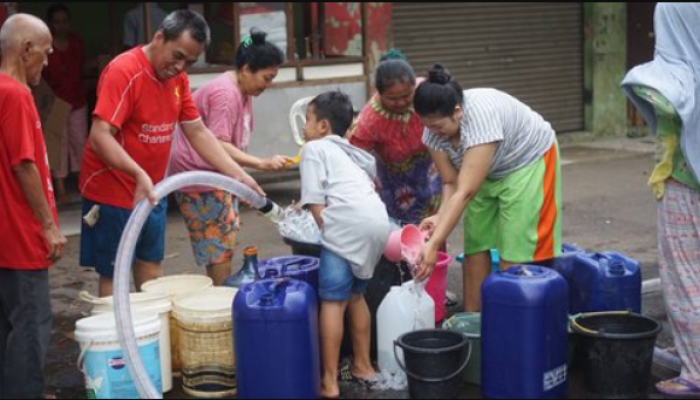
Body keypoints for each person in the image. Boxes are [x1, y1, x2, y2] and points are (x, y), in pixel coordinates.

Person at [79, 10, 262, 297]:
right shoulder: (125, 70)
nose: (180, 67)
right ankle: (117, 338)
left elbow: (198, 132)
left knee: (150, 265)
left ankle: (150, 334)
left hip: (153, 189)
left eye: (189, 61)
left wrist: (239, 177)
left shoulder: (178, 80)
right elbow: (100, 136)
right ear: (159, 37)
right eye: (177, 56)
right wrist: (138, 172)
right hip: (112, 189)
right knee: (113, 274)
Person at [415, 64, 562, 313]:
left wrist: (434, 243)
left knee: (514, 252)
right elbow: (451, 181)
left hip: (525, 162)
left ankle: (510, 320)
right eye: (428, 126)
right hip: (480, 172)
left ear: (457, 112)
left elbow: (465, 192)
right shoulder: (433, 131)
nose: (434, 133)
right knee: (475, 247)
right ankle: (475, 323)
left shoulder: (481, 120)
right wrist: (440, 216)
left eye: (438, 126)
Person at [169, 29, 289, 285]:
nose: (268, 85)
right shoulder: (226, 94)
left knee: (223, 243)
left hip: (216, 176)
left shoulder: (240, 90)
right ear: (246, 69)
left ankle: (221, 297)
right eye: (266, 78)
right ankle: (221, 302)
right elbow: (220, 144)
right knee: (218, 248)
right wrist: (261, 163)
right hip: (201, 179)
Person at [622, 3, 700, 397]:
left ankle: (696, 370)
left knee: (685, 277)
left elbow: (663, 106)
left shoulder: (677, 74)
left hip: (686, 181)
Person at [300, 92, 391, 399]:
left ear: (323, 126)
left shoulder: (313, 149)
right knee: (356, 295)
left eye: (308, 121)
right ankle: (364, 366)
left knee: (333, 301)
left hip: (347, 225)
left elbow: (316, 206)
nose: (304, 128)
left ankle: (329, 381)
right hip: (379, 222)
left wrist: (332, 239)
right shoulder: (350, 152)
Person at [0, 14, 67, 399]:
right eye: (45, 52)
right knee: (30, 328)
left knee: (10, 327)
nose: (48, 59)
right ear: (25, 50)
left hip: (5, 237)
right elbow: (24, 164)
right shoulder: (16, 93)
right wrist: (48, 225)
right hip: (22, 238)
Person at [349, 51, 441, 226]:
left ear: (414, 87)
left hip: (430, 170)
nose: (401, 103)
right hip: (394, 181)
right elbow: (355, 156)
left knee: (433, 224)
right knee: (399, 230)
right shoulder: (369, 120)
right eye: (392, 99)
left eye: (407, 96)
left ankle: (434, 253)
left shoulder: (426, 93)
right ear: (379, 92)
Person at [43, 3, 88, 204]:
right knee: (57, 146)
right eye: (57, 22)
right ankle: (60, 189)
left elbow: (82, 67)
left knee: (80, 142)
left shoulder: (76, 42)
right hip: (55, 102)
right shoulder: (46, 46)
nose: (61, 26)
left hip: (77, 99)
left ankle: (82, 183)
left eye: (64, 21)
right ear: (50, 24)